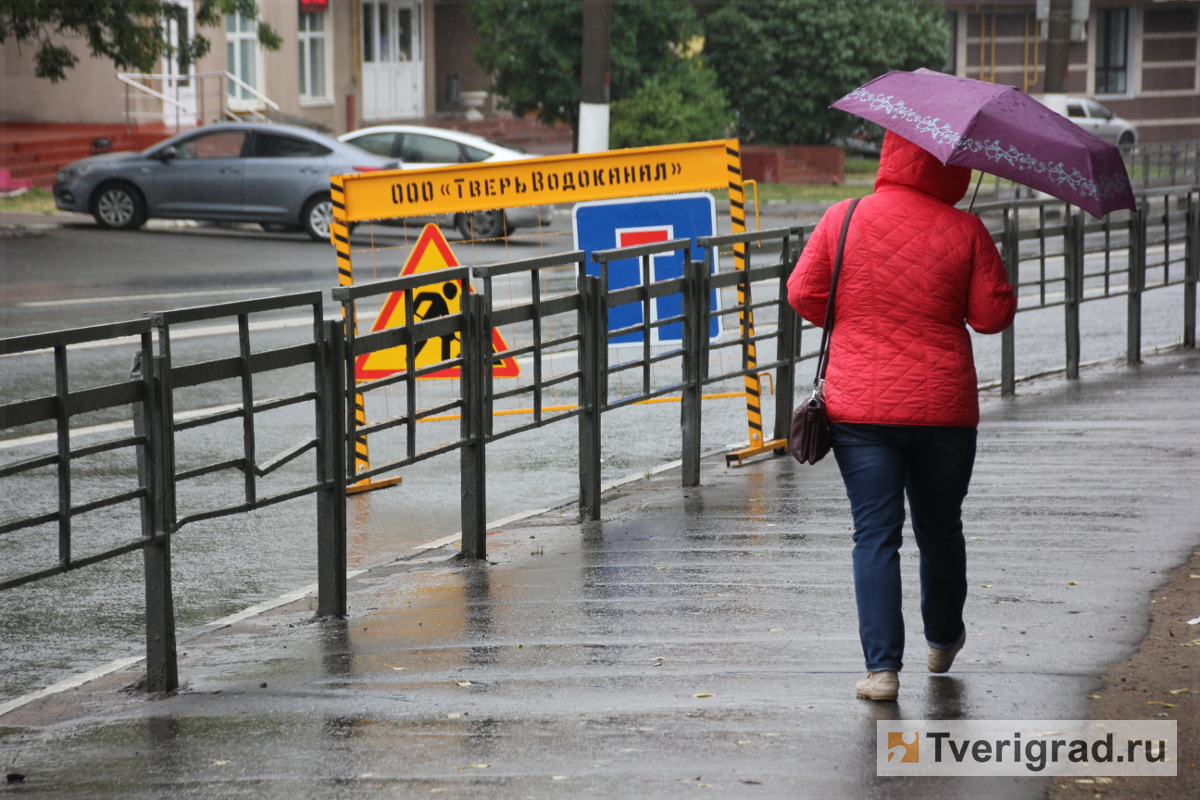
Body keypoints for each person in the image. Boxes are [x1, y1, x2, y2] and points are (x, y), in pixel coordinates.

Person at [787, 130, 1017, 701]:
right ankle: (943, 637)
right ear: (952, 168)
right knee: (940, 528)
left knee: (875, 534)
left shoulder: (844, 216)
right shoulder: (965, 229)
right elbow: (991, 317)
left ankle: (882, 670)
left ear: (893, 153)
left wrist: (859, 317)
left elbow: (803, 293)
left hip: (859, 408)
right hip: (944, 409)